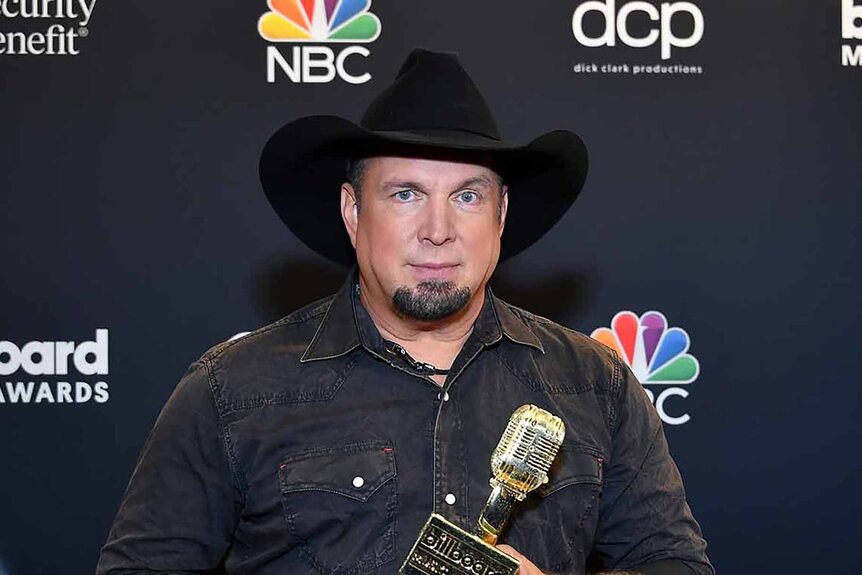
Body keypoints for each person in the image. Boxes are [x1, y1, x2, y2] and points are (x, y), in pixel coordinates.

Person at [97, 49, 714, 575]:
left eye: (467, 196)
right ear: (352, 212)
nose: (438, 230)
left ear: (500, 218)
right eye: (405, 194)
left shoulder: (594, 383)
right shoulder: (232, 390)